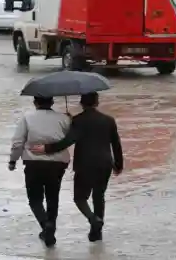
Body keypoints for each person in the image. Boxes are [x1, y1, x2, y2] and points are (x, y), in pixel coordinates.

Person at [29, 92, 123, 242]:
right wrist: (118, 164)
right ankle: (96, 232)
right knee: (99, 196)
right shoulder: (108, 120)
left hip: (84, 164)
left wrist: (46, 149)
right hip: (105, 163)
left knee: (80, 198)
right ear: (97, 102)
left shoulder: (78, 121)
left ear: (81, 103)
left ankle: (93, 219)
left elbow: (67, 141)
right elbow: (116, 144)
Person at [8, 96, 71, 247]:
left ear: (35, 102)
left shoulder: (27, 118)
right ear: (52, 102)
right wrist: (70, 120)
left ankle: (45, 225)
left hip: (33, 163)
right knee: (52, 198)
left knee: (35, 199)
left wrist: (13, 160)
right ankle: (50, 230)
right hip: (57, 164)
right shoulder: (63, 119)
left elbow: (17, 143)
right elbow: (71, 138)